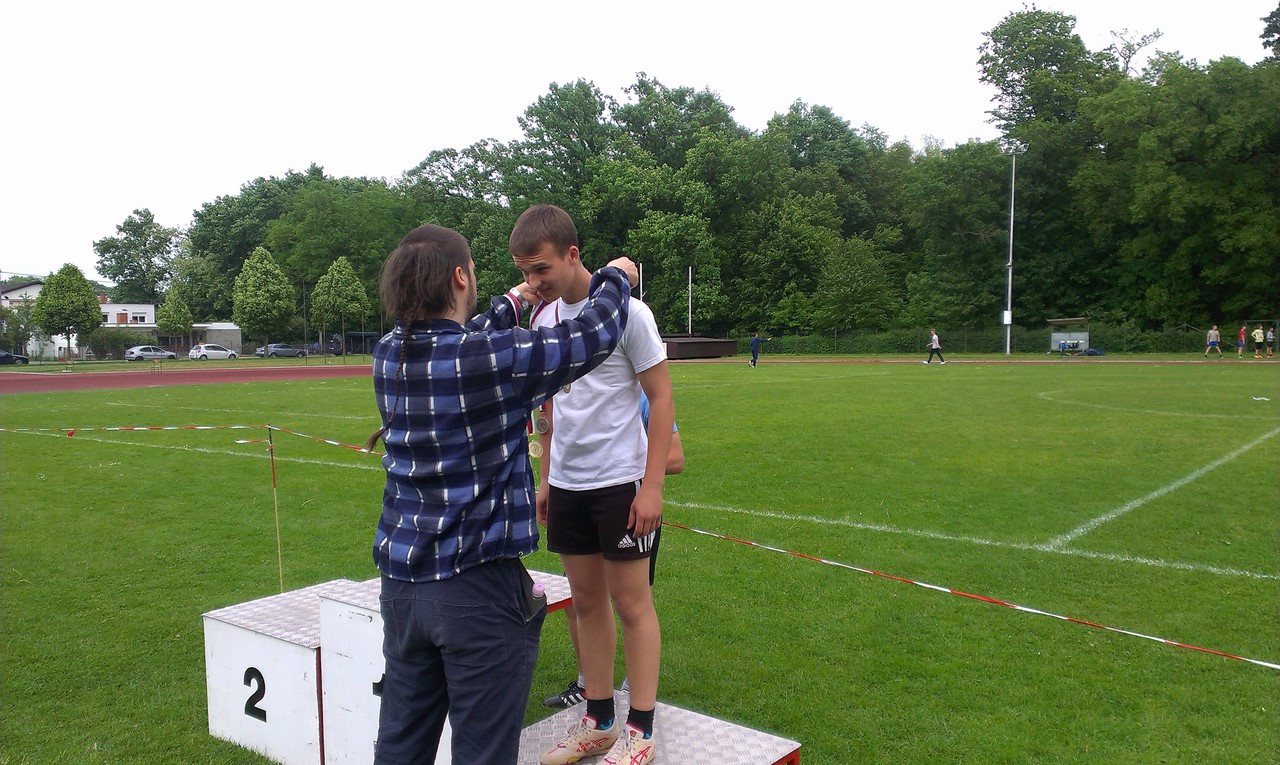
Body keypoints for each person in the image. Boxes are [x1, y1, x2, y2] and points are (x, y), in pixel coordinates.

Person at [367, 222, 634, 765]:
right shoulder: (489, 360)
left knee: (400, 746)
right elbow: (592, 335)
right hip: (476, 592)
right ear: (460, 277)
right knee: (483, 753)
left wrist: (514, 301)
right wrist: (615, 277)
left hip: (402, 591)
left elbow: (464, 341)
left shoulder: (388, 353)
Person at [511, 204, 673, 765]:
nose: (534, 282)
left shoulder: (629, 313)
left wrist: (651, 488)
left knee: (632, 604)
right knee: (585, 603)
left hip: (620, 483)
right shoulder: (543, 321)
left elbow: (662, 399)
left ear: (572, 254)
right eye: (525, 272)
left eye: (541, 269)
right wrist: (546, 478)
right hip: (568, 485)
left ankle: (641, 728)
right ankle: (599, 720)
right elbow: (548, 408)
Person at [541, 390, 684, 709]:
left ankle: (635, 694)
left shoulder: (637, 391)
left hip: (625, 500)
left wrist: (620, 461)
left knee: (631, 601)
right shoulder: (565, 381)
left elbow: (675, 457)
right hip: (573, 494)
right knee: (580, 600)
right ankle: (587, 686)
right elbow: (548, 428)